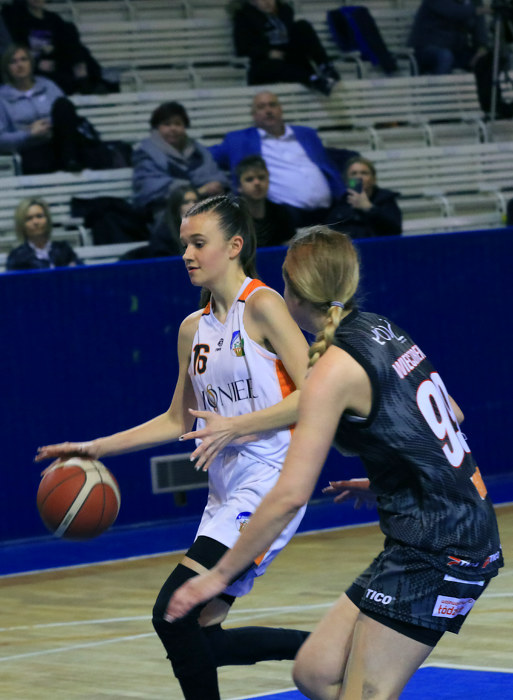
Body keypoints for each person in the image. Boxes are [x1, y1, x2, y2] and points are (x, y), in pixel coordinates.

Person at [166, 226, 503, 699]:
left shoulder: (331, 370)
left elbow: (290, 496)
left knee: (362, 693)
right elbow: (451, 414)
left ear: (293, 292)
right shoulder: (381, 328)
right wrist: (393, 478)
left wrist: (217, 578)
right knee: (315, 672)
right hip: (431, 529)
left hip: (444, 544)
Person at [36, 195, 313, 700]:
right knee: (200, 631)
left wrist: (236, 425)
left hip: (271, 484)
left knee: (172, 609)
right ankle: (330, 650)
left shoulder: (263, 305)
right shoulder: (192, 329)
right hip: (224, 495)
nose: (186, 254)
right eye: (184, 243)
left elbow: (317, 394)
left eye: (198, 243)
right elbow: (176, 419)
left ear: (234, 246)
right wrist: (95, 448)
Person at [210, 90, 344, 228]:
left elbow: (330, 158)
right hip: (285, 217)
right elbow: (206, 156)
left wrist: (353, 165)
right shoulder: (238, 140)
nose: (268, 110)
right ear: (254, 115)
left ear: (280, 109)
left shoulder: (306, 134)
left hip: (331, 210)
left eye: (272, 105)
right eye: (261, 107)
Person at [0, 44, 116, 174]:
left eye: (23, 59)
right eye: (13, 62)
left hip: (60, 141)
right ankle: (70, 162)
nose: (19, 65)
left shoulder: (47, 85)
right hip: (31, 149)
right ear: (6, 68)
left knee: (63, 104)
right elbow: (1, 139)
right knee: (38, 162)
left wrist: (48, 126)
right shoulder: (2, 98)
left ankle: (71, 160)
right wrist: (28, 134)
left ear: (31, 63)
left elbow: (65, 114)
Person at [408, 0, 513, 118]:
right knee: (445, 57)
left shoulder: (474, 3)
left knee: (488, 59)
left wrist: (481, 48)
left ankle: (491, 106)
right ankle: (438, 109)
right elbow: (454, 12)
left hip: (457, 52)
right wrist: (485, 9)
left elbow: (480, 29)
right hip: (427, 49)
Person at [132, 101, 229, 221]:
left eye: (178, 124)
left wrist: (215, 185)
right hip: (164, 211)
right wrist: (197, 190)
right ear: (157, 127)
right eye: (167, 124)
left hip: (202, 206)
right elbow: (150, 186)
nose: (173, 128)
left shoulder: (198, 150)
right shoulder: (146, 152)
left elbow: (214, 174)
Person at [1, 0, 117, 95]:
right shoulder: (17, 18)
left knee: (70, 32)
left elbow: (67, 47)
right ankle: (85, 82)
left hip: (55, 63)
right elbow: (14, 49)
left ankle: (83, 75)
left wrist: (75, 61)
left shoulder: (53, 19)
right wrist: (36, 62)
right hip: (33, 66)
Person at [228, 0, 340, 96]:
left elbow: (290, 38)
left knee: (302, 26)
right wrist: (268, 53)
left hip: (287, 57)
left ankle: (326, 68)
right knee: (274, 65)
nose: (267, 2)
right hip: (264, 64)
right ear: (252, 1)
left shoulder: (284, 10)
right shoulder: (243, 17)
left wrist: (276, 15)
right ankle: (313, 79)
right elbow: (242, 48)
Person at [328, 156, 402, 238]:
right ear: (346, 180)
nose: (359, 177)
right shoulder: (339, 203)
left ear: (373, 179)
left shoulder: (386, 200)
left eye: (364, 173)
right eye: (354, 173)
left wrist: (369, 208)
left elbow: (395, 230)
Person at [6, 196, 82, 270]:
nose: (35, 222)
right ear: (22, 225)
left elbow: (81, 272)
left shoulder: (63, 249)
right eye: (29, 218)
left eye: (39, 216)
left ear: (47, 219)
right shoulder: (17, 257)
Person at [236, 155, 295, 247]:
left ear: (268, 181)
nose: (257, 183)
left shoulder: (281, 213)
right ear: (239, 187)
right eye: (249, 179)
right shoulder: (232, 217)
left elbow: (290, 246)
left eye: (261, 177)